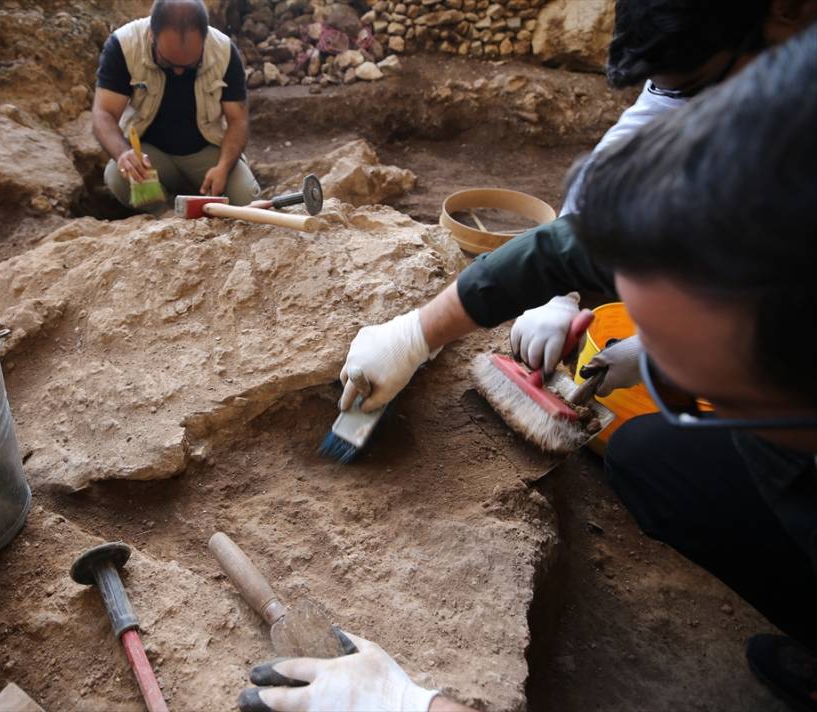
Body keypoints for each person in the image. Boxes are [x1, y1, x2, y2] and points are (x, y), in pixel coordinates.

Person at [240, 24, 817, 712]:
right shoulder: (770, 171)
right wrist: (417, 333)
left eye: (692, 376)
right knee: (646, 454)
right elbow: (591, 238)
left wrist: (404, 705)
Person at [513, 0, 817, 382]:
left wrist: (663, 351)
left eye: (696, 84)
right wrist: (558, 289)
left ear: (788, 9)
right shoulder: (720, 39)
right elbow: (626, 148)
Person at [92, 0, 260, 213]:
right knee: (118, 175)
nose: (179, 72)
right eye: (169, 63)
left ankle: (196, 199)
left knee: (245, 195)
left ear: (205, 38)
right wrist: (123, 154)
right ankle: (164, 214)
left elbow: (238, 120)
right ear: (151, 35)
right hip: (151, 157)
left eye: (190, 65)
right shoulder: (124, 46)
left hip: (206, 152)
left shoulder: (224, 51)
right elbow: (103, 113)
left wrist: (224, 167)